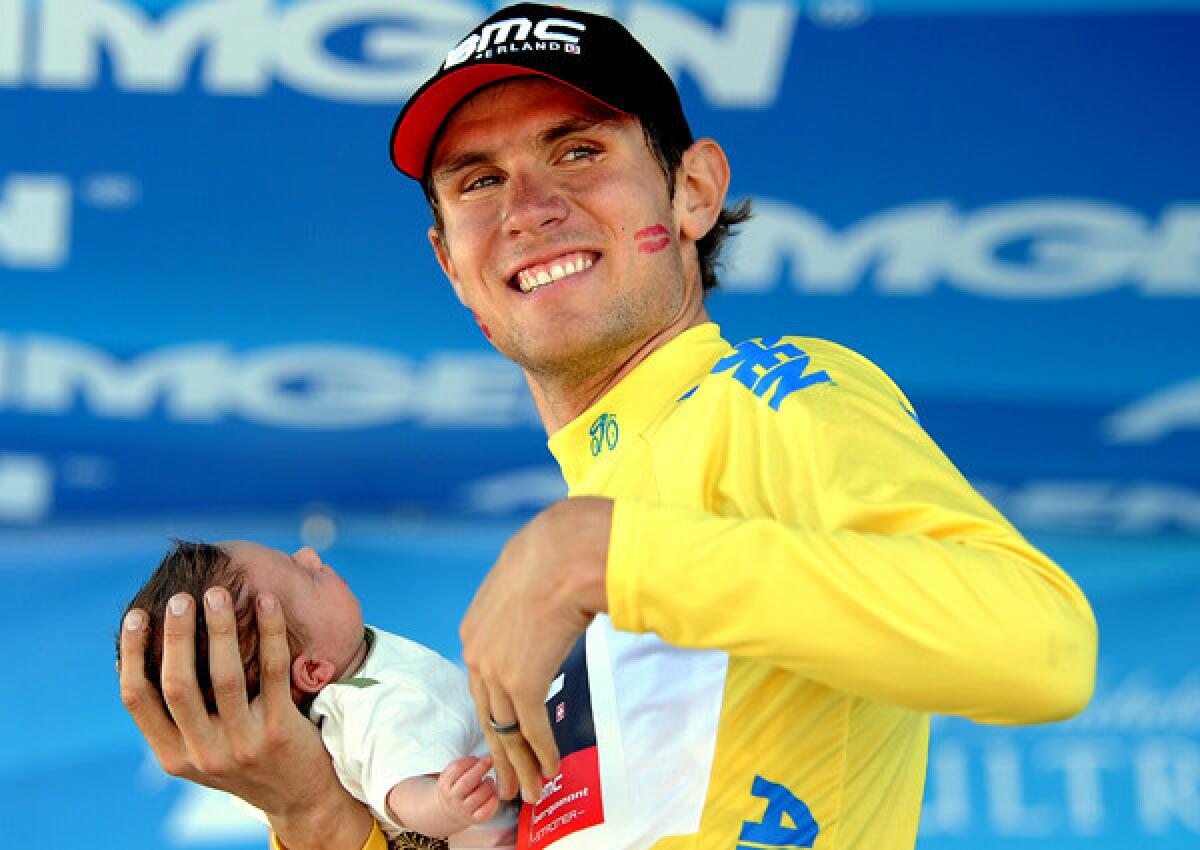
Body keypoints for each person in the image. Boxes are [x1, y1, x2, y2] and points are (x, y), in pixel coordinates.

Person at [118, 4, 1099, 849]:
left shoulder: (758, 399)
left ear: (693, 191)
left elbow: (1044, 651)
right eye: (478, 182)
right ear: (451, 266)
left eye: (580, 151)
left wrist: (597, 553)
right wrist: (312, 811)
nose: (531, 208)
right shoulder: (574, 551)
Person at [119, 539, 514, 848]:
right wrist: (442, 804)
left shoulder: (340, 672)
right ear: (311, 670)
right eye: (305, 574)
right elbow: (401, 790)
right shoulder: (366, 706)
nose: (310, 555)